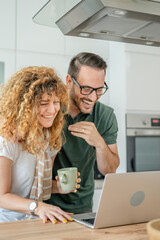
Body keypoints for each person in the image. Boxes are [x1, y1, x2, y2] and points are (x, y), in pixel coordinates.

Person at [0, 66, 77, 225]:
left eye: (56, 102)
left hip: (25, 225)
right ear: (24, 106)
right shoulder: (5, 141)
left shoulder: (47, 138)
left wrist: (59, 187)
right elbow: (1, 197)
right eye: (44, 103)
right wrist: (38, 207)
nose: (52, 109)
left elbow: (35, 186)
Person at [45, 52, 120, 213]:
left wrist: (99, 143)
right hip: (46, 206)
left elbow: (109, 170)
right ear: (69, 81)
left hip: (83, 207)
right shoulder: (50, 110)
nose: (93, 97)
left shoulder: (105, 116)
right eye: (86, 89)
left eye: (99, 90)